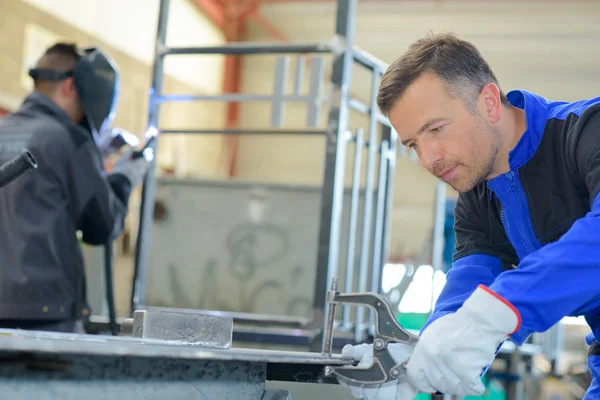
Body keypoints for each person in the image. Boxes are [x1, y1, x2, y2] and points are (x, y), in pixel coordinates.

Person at [339, 31, 600, 399]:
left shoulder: (586, 131)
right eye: (414, 143)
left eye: (436, 129)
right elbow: (469, 284)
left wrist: (501, 309)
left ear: (490, 102)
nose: (428, 159)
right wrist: (418, 358)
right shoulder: (477, 197)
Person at [0, 43, 150, 333]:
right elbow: (103, 226)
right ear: (70, 87)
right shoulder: (69, 139)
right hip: (47, 318)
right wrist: (124, 175)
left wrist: (96, 157)